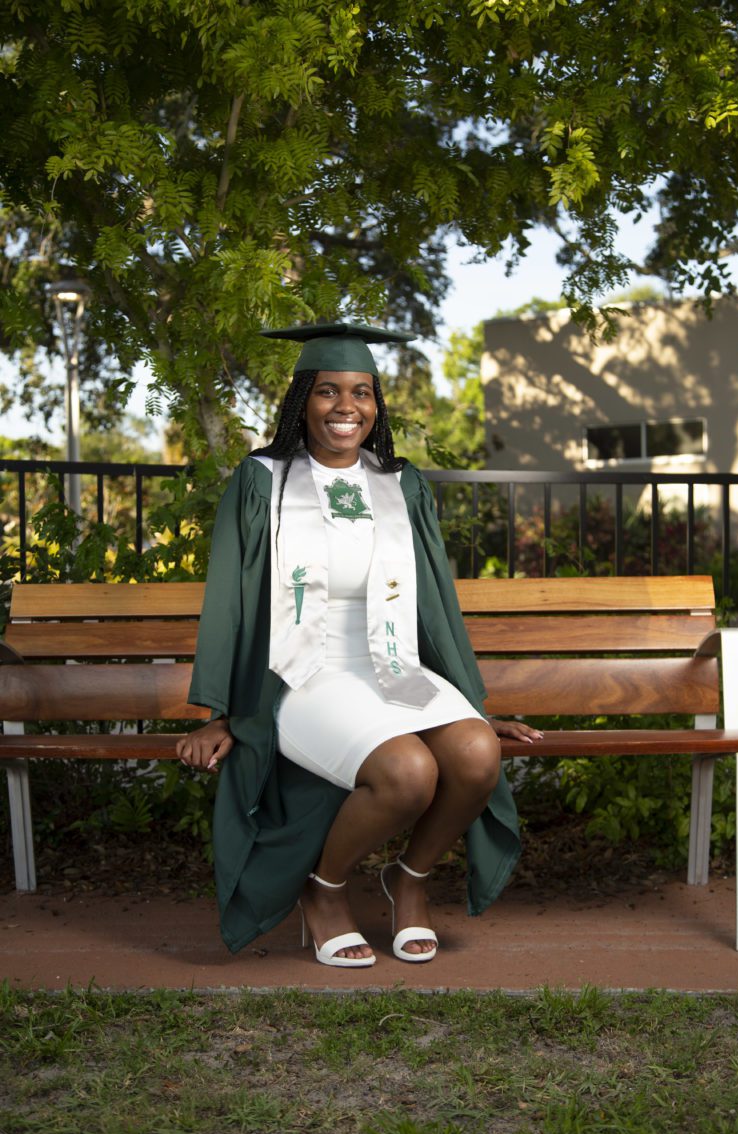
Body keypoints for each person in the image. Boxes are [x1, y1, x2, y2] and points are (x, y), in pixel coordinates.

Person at [176, 322, 541, 968]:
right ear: (301, 402)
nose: (347, 408)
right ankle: (325, 890)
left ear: (378, 405)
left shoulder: (401, 485)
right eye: (328, 392)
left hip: (393, 666)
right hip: (303, 675)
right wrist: (218, 712)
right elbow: (228, 599)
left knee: (478, 754)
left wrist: (472, 705)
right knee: (408, 773)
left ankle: (410, 879)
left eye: (363, 392)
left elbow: (436, 604)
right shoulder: (263, 481)